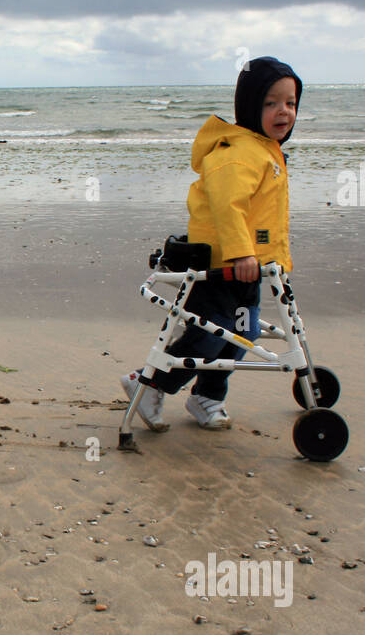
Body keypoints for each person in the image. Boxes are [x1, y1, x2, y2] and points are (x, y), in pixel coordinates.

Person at [122, 57, 301, 430]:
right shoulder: (236, 153)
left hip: (250, 268)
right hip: (220, 265)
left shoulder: (264, 149)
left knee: (245, 332)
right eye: (271, 103)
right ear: (250, 106)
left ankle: (208, 396)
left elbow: (262, 214)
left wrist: (271, 255)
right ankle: (150, 383)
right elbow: (227, 206)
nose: (283, 111)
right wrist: (241, 252)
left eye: (291, 102)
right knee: (210, 331)